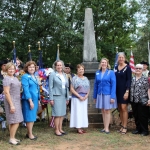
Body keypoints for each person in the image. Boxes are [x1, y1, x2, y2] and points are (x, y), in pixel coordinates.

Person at [93, 58, 117, 134]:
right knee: (103, 111)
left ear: (107, 64)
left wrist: (113, 96)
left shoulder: (111, 72)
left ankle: (107, 128)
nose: (103, 64)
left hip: (108, 94)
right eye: (102, 62)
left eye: (105, 62)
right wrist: (94, 96)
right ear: (100, 64)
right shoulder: (97, 73)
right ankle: (104, 127)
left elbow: (114, 85)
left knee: (107, 111)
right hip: (100, 94)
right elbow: (95, 85)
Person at [3, 62, 23, 145]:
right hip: (11, 101)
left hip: (16, 100)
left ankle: (13, 137)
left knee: (13, 120)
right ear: (7, 70)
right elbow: (6, 92)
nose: (11, 70)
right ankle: (11, 138)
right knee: (16, 121)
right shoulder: (6, 79)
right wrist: (11, 105)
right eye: (9, 69)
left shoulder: (14, 78)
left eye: (13, 69)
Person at [49, 60, 69, 136]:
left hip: (63, 96)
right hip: (56, 96)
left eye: (60, 65)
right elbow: (50, 87)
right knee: (57, 114)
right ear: (55, 66)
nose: (59, 67)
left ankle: (60, 128)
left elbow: (67, 87)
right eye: (58, 65)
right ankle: (56, 130)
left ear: (62, 66)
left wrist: (67, 97)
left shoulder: (64, 74)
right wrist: (51, 98)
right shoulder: (53, 74)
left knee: (62, 114)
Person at [21, 61, 40, 140]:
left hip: (35, 99)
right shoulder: (25, 76)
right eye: (30, 67)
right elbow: (26, 89)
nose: (32, 68)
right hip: (28, 100)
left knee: (32, 117)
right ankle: (30, 134)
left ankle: (29, 133)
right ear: (27, 68)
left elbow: (38, 89)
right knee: (29, 117)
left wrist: (38, 99)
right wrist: (30, 101)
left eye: (33, 67)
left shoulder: (35, 76)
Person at [114, 52, 132, 134]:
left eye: (122, 57)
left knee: (124, 108)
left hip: (124, 90)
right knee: (120, 108)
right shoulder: (115, 68)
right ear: (118, 58)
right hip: (116, 91)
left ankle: (125, 126)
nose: (120, 59)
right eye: (119, 57)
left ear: (124, 58)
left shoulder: (127, 68)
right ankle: (122, 125)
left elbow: (129, 80)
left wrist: (127, 91)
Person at [70, 64, 90, 134]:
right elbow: (72, 89)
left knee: (83, 113)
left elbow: (88, 88)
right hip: (77, 98)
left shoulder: (86, 78)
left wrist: (86, 96)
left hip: (84, 98)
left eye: (82, 69)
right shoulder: (74, 78)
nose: (81, 70)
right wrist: (79, 96)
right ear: (77, 70)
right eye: (80, 69)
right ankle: (78, 128)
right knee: (78, 113)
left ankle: (81, 126)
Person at [130, 64, 149, 136]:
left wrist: (149, 99)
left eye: (139, 69)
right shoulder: (133, 78)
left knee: (143, 116)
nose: (138, 70)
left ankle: (145, 130)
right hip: (134, 100)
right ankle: (138, 129)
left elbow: (148, 90)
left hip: (142, 100)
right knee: (136, 115)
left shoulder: (145, 79)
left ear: (142, 70)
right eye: (137, 68)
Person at [0, 59, 9, 130]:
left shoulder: (11, 73)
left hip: (11, 94)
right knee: (3, 109)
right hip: (2, 94)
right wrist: (2, 91)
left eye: (6, 65)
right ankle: (3, 123)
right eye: (4, 65)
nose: (5, 66)